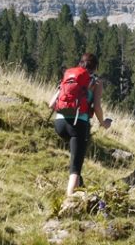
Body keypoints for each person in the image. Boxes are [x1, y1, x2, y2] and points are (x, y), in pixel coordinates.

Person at [49, 52, 112, 196]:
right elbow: (97, 107)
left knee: (75, 155)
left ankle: (79, 186)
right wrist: (103, 123)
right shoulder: (95, 82)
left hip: (59, 123)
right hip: (78, 124)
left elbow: (51, 104)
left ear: (80, 64)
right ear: (95, 67)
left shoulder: (69, 76)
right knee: (75, 167)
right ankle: (69, 203)